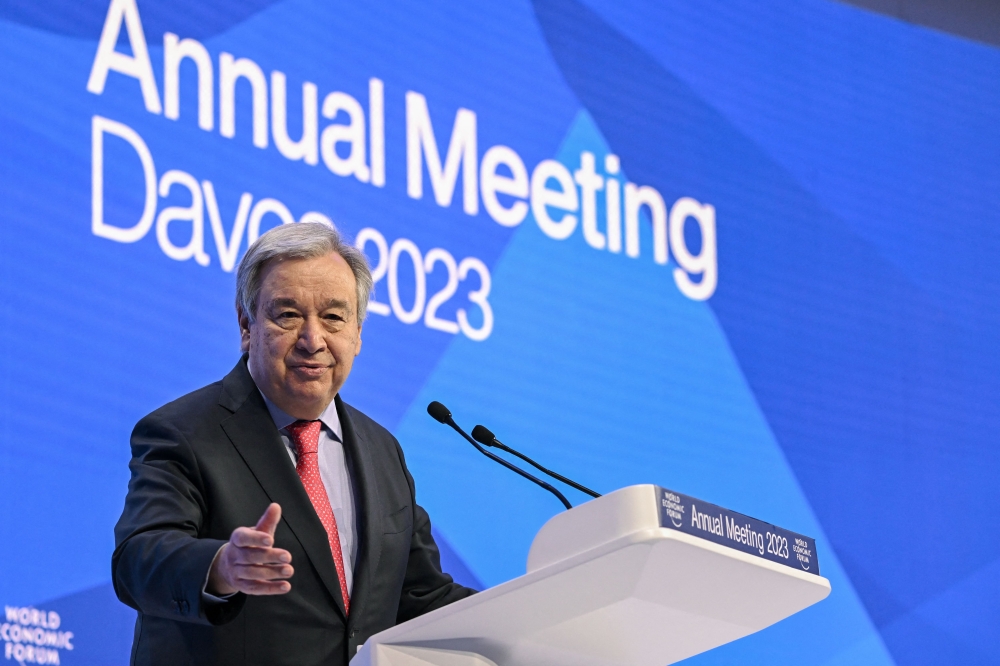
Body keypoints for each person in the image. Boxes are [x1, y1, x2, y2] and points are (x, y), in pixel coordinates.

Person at [112, 223, 476, 666]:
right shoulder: (182, 431)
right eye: (288, 315)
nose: (313, 340)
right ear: (246, 325)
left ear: (357, 334)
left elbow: (420, 596)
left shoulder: (382, 451)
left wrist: (531, 612)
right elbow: (138, 561)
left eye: (334, 318)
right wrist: (221, 566)